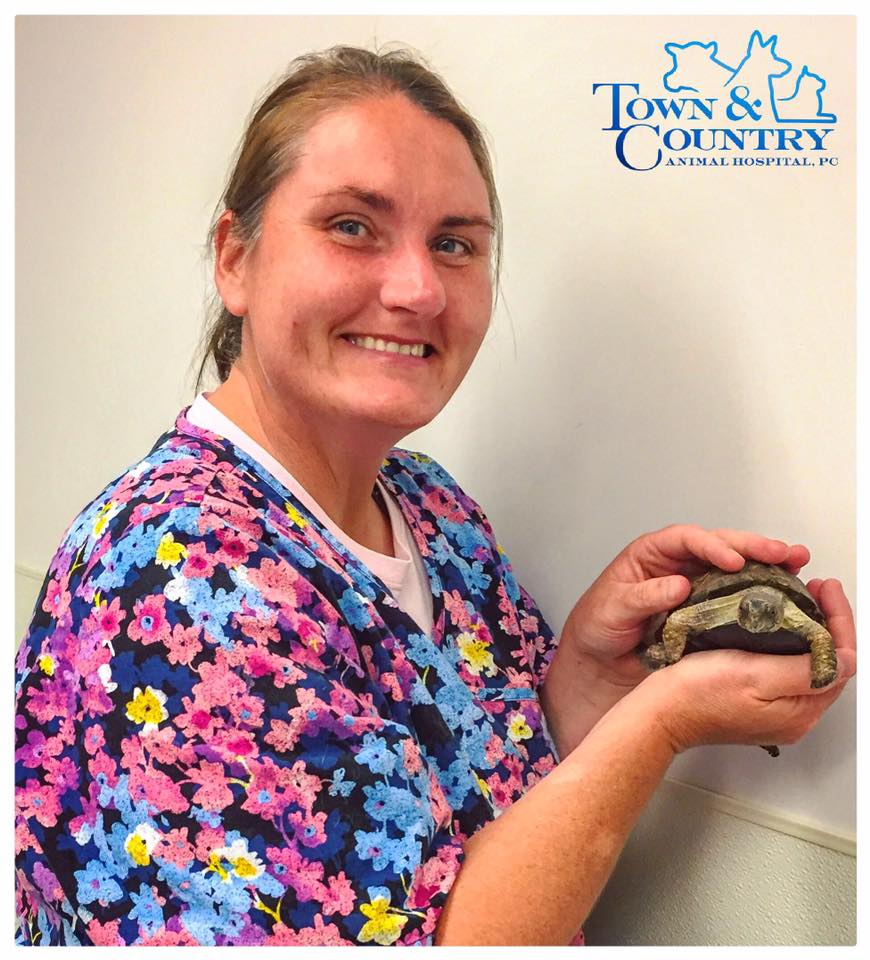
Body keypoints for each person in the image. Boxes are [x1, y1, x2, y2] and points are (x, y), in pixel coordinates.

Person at [14, 44, 855, 947]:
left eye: (454, 244)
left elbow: (487, 796)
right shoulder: (177, 578)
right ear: (235, 259)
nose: (417, 290)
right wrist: (660, 726)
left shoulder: (431, 507)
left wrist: (591, 673)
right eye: (351, 227)